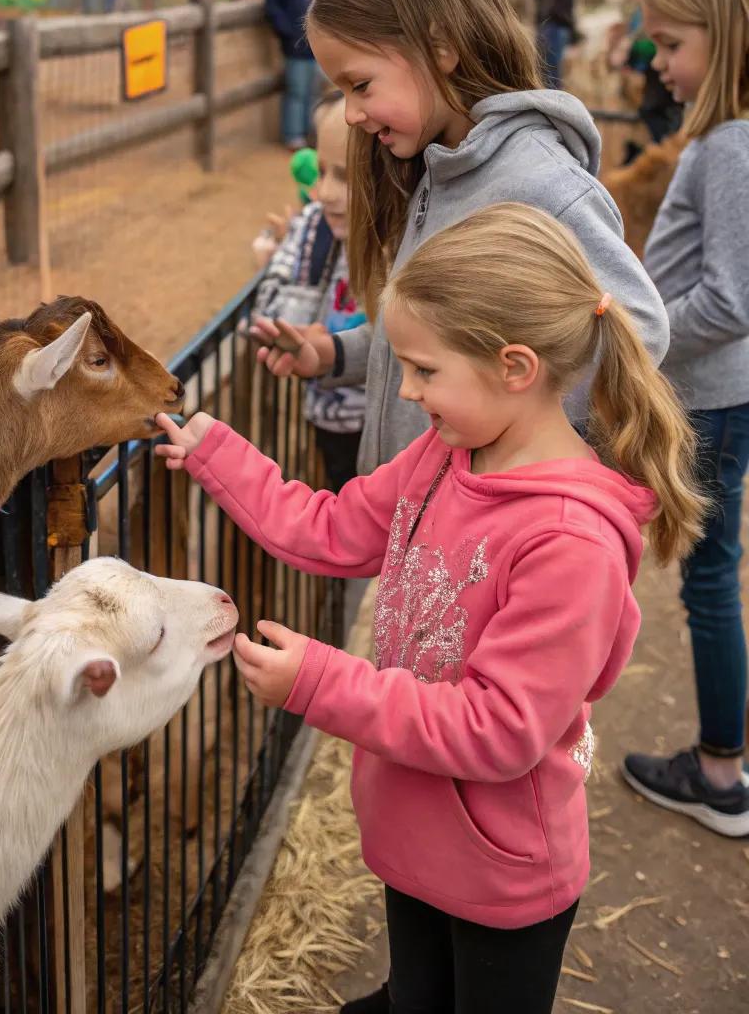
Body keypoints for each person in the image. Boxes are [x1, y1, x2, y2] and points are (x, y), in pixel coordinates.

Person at [157, 203, 706, 1014]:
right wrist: (216, 454)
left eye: (423, 370)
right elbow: (334, 528)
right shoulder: (446, 455)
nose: (407, 393)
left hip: (502, 872)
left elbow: (497, 727)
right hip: (415, 835)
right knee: (413, 995)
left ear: (515, 367)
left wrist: (318, 682)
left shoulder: (569, 541)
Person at [250, 0, 669, 482]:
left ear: (441, 47)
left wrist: (521, 453)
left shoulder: (540, 184)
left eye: (361, 85)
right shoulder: (435, 168)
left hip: (479, 527)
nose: (350, 113)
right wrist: (336, 354)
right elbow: (447, 330)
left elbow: (638, 328)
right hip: (422, 518)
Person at [622, 0, 749, 836]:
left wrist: (635, 339)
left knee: (706, 581)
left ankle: (718, 773)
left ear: (727, 35)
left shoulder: (729, 148)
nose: (657, 62)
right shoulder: (717, 143)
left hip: (704, 397)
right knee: (709, 572)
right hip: (709, 391)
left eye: (671, 44)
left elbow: (731, 298)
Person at [253, 91, 366, 491]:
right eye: (321, 172)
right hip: (329, 419)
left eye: (347, 177)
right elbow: (267, 310)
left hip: (386, 427)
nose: (327, 193)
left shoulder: (409, 243)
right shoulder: (313, 227)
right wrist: (298, 336)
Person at [609, 0, 683, 146]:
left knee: (657, 113)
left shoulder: (664, 9)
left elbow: (654, 45)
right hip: (655, 82)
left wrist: (629, 52)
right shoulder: (641, 10)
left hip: (666, 87)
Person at [264, 0, 322, 149]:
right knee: (297, 91)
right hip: (295, 44)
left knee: (313, 91)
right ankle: (293, 136)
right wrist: (286, 32)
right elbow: (272, 2)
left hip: (314, 45)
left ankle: (309, 133)